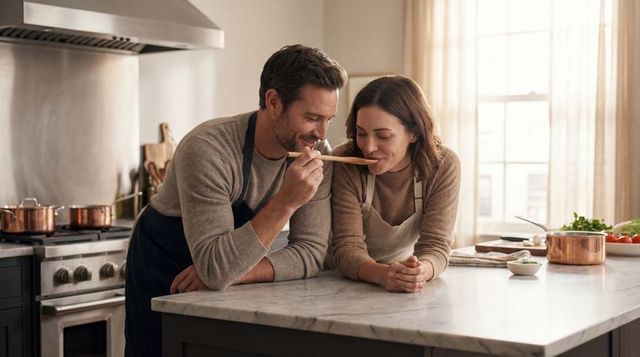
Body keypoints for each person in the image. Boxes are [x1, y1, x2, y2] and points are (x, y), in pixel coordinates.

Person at [125, 44, 347, 356]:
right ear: (273, 102)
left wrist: (236, 273)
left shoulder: (317, 153)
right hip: (164, 272)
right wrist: (286, 201)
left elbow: (310, 253)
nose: (321, 134)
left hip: (228, 281)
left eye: (328, 119)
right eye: (312, 117)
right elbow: (216, 267)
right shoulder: (207, 149)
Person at [330, 75, 460, 293]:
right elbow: (347, 247)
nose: (369, 147)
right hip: (342, 281)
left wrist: (420, 272)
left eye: (383, 136)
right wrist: (383, 274)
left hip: (400, 277)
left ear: (414, 133)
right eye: (361, 133)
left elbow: (436, 246)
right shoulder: (344, 162)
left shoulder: (443, 165)